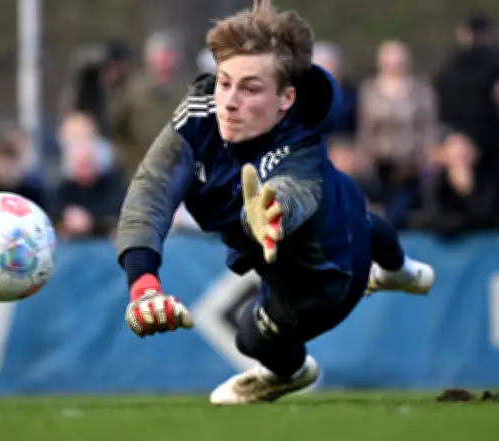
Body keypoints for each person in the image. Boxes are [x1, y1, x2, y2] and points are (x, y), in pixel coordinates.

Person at [114, 0, 435, 405]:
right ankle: (399, 270)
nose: (228, 101)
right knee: (367, 221)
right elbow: (150, 192)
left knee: (250, 337)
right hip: (345, 203)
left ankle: (291, 373)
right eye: (224, 82)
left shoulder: (299, 148)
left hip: (327, 275)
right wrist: (143, 283)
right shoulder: (201, 109)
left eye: (250, 88)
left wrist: (270, 214)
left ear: (286, 98)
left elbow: (292, 192)